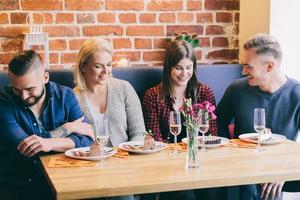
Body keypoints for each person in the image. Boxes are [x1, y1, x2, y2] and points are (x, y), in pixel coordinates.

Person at [0, 50, 94, 200]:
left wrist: (48, 143)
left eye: (30, 89)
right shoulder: (4, 102)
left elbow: (87, 141)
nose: (23, 96)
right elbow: (26, 147)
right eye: (16, 90)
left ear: (45, 77)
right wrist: (68, 128)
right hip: (18, 185)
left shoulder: (65, 96)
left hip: (64, 179)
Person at [217, 33, 300, 200]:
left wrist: (285, 169)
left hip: (277, 172)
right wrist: (229, 154)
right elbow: (218, 122)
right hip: (240, 171)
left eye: (249, 66)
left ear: (269, 66)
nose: (243, 71)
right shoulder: (236, 90)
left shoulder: (297, 94)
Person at [142, 40, 219, 200]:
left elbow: (211, 135)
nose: (184, 73)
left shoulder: (204, 92)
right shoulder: (153, 96)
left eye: (188, 68)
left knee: (214, 190)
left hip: (201, 161)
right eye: (178, 68)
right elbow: (156, 139)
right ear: (168, 68)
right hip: (169, 165)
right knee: (185, 195)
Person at [73, 38, 146, 200]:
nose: (106, 71)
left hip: (124, 167)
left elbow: (139, 133)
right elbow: (72, 141)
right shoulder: (72, 97)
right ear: (83, 66)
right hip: (88, 170)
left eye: (109, 64)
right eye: (98, 66)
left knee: (122, 195)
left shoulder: (124, 88)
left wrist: (126, 158)